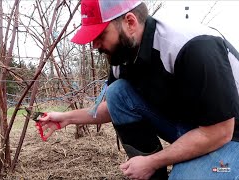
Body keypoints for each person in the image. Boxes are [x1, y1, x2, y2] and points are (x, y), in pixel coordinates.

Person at [38, 0, 239, 179]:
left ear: (130, 22)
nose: (94, 45)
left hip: (230, 136)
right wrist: (66, 118)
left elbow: (220, 132)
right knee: (117, 92)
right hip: (194, 127)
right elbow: (114, 106)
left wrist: (152, 161)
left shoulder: (193, 47)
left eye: (100, 34)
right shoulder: (122, 54)